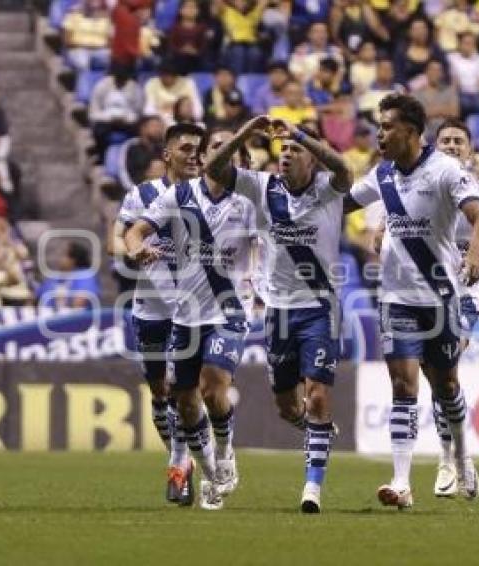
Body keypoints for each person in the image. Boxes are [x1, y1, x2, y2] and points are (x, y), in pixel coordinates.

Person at [345, 94, 479, 509]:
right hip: (396, 299)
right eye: (379, 125)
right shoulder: (382, 174)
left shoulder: (447, 171)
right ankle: (402, 481)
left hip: (440, 296)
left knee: (445, 386)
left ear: (410, 131)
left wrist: (477, 252)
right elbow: (341, 204)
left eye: (387, 126)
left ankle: (462, 459)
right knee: (403, 385)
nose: (380, 133)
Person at [205, 116, 353, 514]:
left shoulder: (329, 189)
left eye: (295, 150)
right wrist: (243, 132)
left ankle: (312, 488)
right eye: (283, 149)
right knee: (288, 406)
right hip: (279, 313)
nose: (286, 154)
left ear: (312, 159)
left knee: (318, 395)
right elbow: (214, 169)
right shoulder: (262, 186)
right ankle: (315, 432)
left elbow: (345, 169)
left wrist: (301, 134)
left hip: (321, 309)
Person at [125, 127, 256, 511]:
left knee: (212, 386)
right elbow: (136, 231)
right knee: (183, 402)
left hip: (229, 311)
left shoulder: (251, 200)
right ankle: (211, 471)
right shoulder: (178, 196)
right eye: (214, 146)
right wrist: (135, 249)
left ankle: (226, 452)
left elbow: (272, 241)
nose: (217, 152)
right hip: (187, 313)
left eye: (228, 147)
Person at [113, 121, 204, 504]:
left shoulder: (207, 194)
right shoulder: (143, 194)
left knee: (183, 389)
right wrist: (133, 251)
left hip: (192, 308)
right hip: (150, 307)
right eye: (185, 149)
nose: (193, 156)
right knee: (158, 392)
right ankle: (179, 457)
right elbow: (115, 239)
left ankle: (178, 466)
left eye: (198, 150)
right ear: (167, 154)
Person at [431, 117, 479, 498]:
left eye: (458, 141)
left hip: (465, 292)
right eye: (444, 140)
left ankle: (449, 459)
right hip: (428, 289)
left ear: (470, 150)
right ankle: (456, 457)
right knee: (436, 371)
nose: (451, 145)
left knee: (447, 360)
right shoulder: (422, 188)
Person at [35, 241, 100, 308]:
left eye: (62, 254)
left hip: (73, 317)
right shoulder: (54, 278)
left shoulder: (85, 276)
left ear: (73, 260)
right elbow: (36, 297)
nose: (58, 258)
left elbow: (79, 304)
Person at [117, 115, 165, 192]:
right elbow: (123, 171)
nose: (158, 130)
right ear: (143, 129)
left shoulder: (163, 148)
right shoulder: (131, 146)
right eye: (154, 126)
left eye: (160, 127)